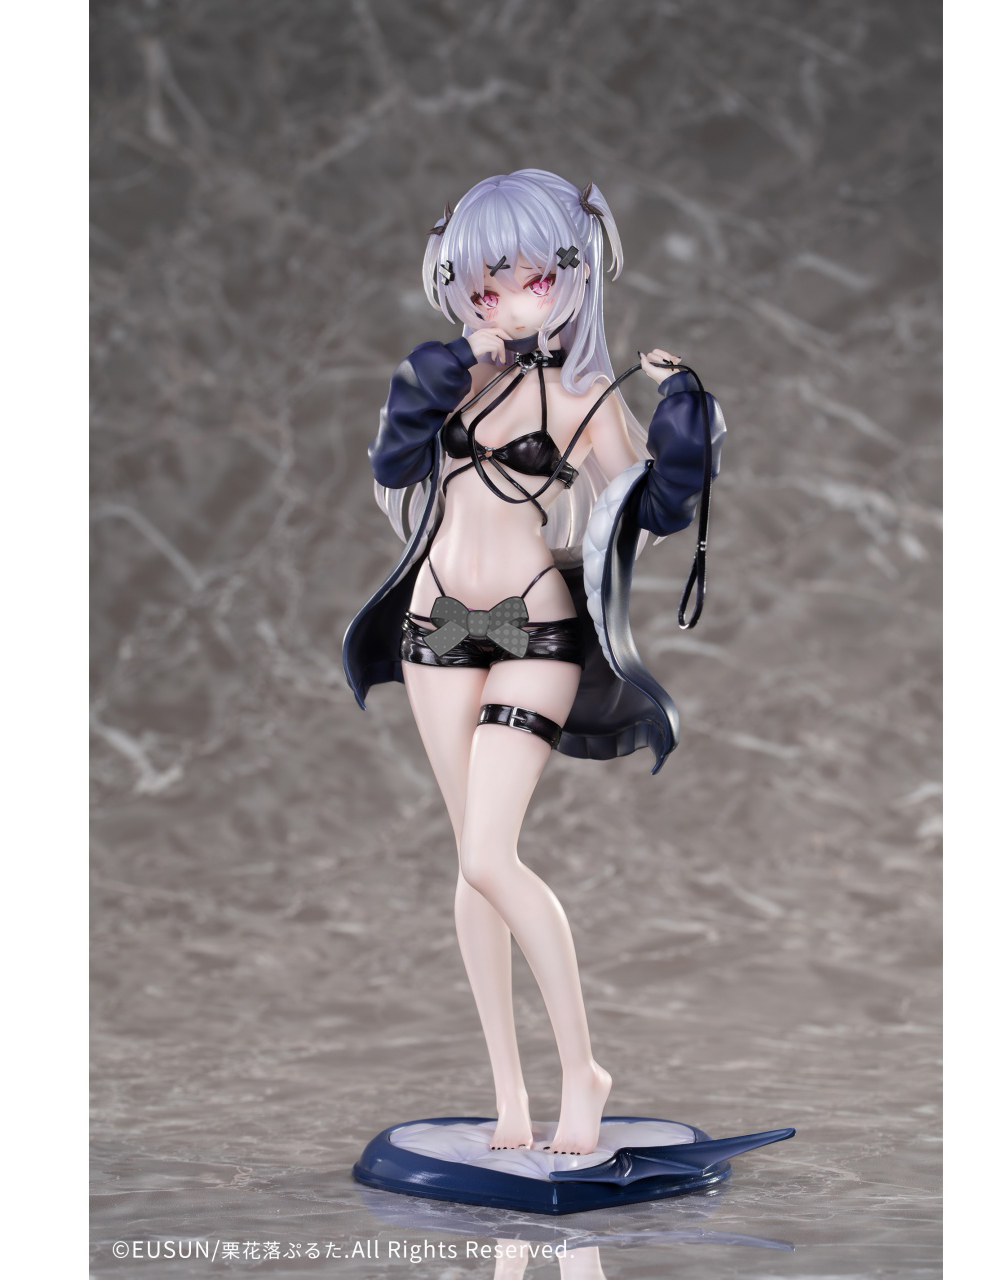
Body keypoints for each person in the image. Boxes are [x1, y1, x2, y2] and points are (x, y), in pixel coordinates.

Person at [342, 169, 725, 1155]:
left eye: (525, 275)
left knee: (489, 854)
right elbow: (392, 465)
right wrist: (439, 375)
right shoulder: (452, 376)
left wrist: (683, 420)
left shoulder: (585, 395)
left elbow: (649, 506)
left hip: (534, 628)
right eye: (481, 280)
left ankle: (583, 1071)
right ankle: (507, 1091)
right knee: (468, 867)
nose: (501, 296)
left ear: (571, 272)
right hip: (432, 628)